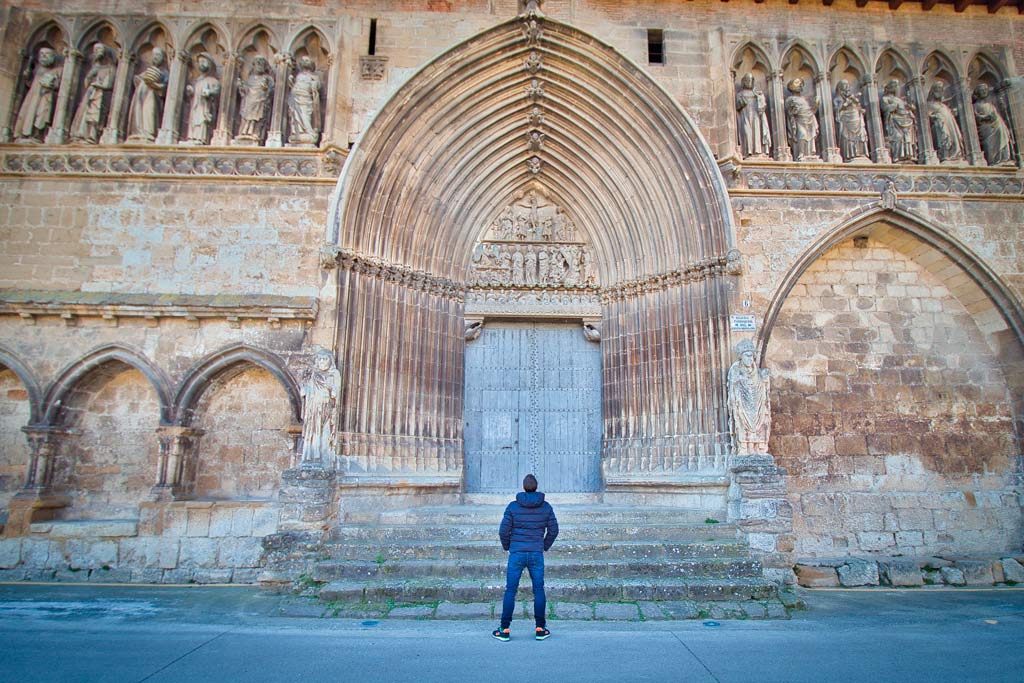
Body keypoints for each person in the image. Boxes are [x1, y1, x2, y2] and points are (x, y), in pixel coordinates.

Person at [493, 473, 558, 642]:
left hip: (517, 553)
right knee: (538, 590)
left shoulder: (513, 507)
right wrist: (544, 546)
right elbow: (554, 530)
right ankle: (540, 629)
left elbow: (503, 531)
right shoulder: (546, 507)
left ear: (523, 487)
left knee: (510, 590)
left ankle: (504, 629)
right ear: (536, 487)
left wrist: (508, 546)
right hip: (536, 553)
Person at [13, 46, 61, 143]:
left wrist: (50, 85)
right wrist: (27, 76)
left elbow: (58, 85)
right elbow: (29, 83)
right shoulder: (36, 70)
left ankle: (37, 135)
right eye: (41, 54)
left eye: (47, 54)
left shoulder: (57, 70)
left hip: (45, 97)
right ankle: (25, 135)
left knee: (41, 114)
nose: (43, 56)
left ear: (53, 57)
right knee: (29, 114)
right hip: (32, 97)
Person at [126, 47, 168, 143]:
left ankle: (149, 132)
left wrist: (154, 85)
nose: (155, 57)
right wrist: (138, 79)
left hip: (152, 95)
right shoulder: (148, 71)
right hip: (141, 95)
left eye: (158, 55)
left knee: (149, 110)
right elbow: (138, 79)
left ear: (163, 58)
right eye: (154, 55)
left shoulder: (164, 72)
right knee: (138, 111)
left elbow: (165, 87)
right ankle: (138, 131)